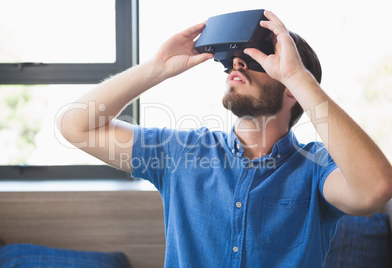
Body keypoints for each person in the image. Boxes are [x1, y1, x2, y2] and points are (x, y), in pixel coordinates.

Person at [57, 10, 392, 267]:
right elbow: (76, 127)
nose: (237, 66)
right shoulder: (181, 153)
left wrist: (295, 76)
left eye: (255, 61)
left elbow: (374, 189)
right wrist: (156, 68)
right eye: (233, 63)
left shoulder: (317, 168)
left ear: (293, 88)